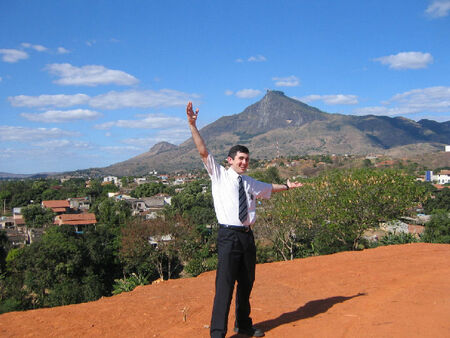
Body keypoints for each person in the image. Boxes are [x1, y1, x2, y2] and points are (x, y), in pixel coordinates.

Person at [186, 102, 303, 338]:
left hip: (247, 237)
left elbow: (270, 187)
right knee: (224, 286)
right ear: (230, 160)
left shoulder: (249, 182)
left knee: (246, 283)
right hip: (228, 237)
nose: (244, 162)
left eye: (247, 159)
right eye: (240, 159)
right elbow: (203, 151)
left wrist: (288, 186)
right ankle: (218, 333)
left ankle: (244, 325)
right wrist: (192, 125)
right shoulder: (218, 175)